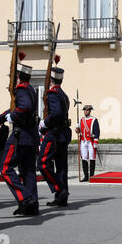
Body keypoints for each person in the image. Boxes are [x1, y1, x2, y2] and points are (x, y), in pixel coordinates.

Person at [0, 60, 40, 216]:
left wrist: (11, 117)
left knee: (5, 168)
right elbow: (16, 108)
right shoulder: (30, 89)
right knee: (28, 171)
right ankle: (32, 205)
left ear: (19, 78)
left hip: (20, 137)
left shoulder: (21, 89)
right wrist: (2, 117)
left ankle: (25, 198)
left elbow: (24, 107)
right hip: (30, 137)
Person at [38, 67, 72, 207]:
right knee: (61, 167)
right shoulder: (63, 94)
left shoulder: (53, 93)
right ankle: (61, 198)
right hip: (62, 134)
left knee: (43, 162)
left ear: (51, 80)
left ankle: (59, 189)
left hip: (54, 134)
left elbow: (56, 113)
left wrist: (44, 123)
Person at [76, 105, 100, 182]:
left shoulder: (94, 120)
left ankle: (92, 176)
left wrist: (96, 141)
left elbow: (97, 131)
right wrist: (77, 130)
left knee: (92, 158)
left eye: (87, 110)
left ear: (90, 111)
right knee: (84, 158)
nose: (86, 111)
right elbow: (78, 130)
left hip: (91, 141)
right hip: (83, 141)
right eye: (85, 110)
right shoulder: (80, 120)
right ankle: (86, 176)